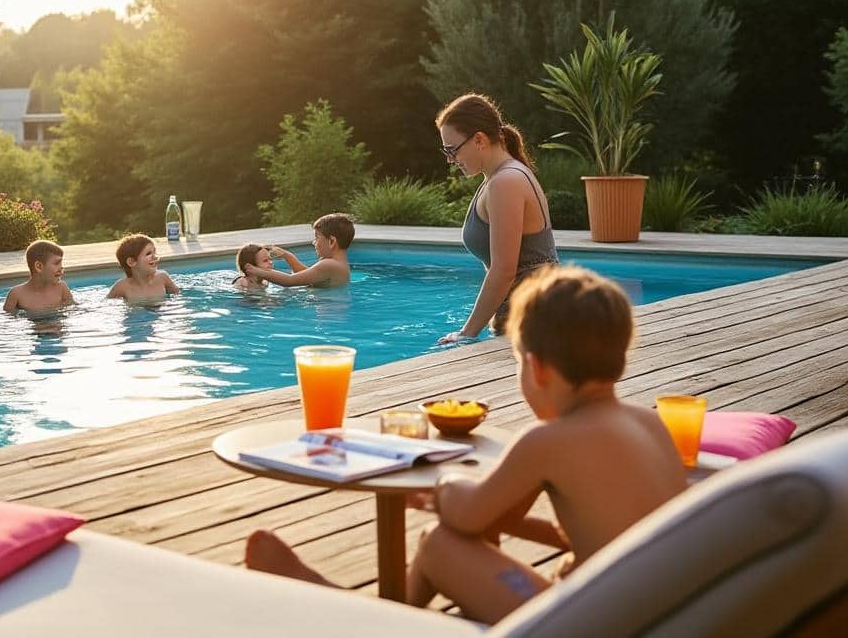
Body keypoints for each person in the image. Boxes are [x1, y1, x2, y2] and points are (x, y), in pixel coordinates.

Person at [244, 266, 686, 625]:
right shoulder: (650, 425)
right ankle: (386, 611)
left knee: (438, 543)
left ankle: (375, 620)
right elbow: (591, 531)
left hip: (585, 626)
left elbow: (465, 516)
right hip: (651, 619)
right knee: (455, 536)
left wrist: (446, 487)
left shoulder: (549, 439)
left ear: (536, 368)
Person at [436, 93, 558, 344]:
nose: (450, 160)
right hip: (530, 318)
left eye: (452, 150)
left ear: (479, 139)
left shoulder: (506, 182)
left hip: (533, 323)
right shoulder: (496, 178)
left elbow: (503, 270)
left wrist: (466, 333)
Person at [244, 213, 353, 288]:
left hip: (328, 317)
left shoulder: (329, 264)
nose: (313, 242)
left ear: (331, 241)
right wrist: (288, 256)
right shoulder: (339, 265)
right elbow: (305, 275)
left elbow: (288, 281)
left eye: (317, 237)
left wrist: (256, 270)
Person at [4, 240, 75, 313]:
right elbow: (7, 320)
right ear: (39, 266)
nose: (61, 268)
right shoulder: (16, 294)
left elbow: (74, 310)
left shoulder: (61, 288)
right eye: (57, 263)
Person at [107, 234, 180, 302]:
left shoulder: (162, 277)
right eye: (148, 254)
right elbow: (107, 304)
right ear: (131, 262)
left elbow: (178, 296)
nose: (155, 257)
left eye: (154, 252)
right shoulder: (122, 287)